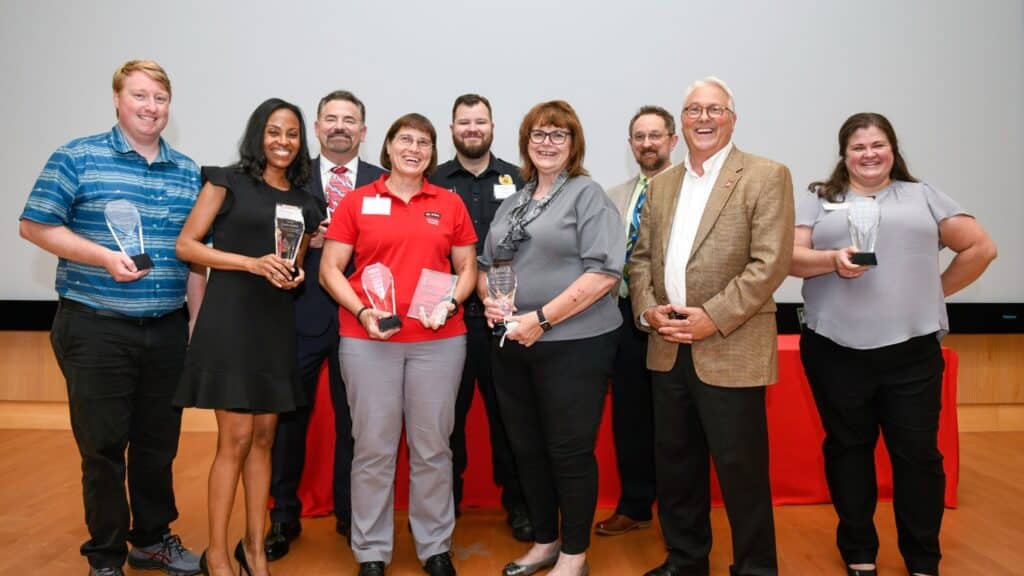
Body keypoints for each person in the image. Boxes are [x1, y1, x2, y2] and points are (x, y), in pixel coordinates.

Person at [18, 59, 204, 576]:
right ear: (118, 100)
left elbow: (194, 256)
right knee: (102, 448)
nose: (151, 108)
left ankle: (151, 541)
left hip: (166, 328)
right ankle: (104, 556)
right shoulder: (77, 157)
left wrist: (195, 324)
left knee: (158, 445)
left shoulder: (187, 170)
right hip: (96, 326)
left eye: (160, 99)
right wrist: (101, 257)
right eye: (140, 96)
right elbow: (34, 226)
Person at [790, 112, 996, 576]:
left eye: (878, 145)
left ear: (893, 149)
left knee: (919, 456)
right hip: (834, 349)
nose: (869, 154)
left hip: (911, 352)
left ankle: (923, 559)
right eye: (858, 147)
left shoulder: (922, 195)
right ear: (844, 155)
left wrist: (931, 290)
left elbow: (981, 247)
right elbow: (791, 260)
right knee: (847, 449)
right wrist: (831, 260)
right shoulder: (818, 198)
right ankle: (859, 553)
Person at [629, 77, 794, 576]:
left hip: (730, 345)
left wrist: (712, 318)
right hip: (667, 344)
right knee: (676, 466)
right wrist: (648, 309)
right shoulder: (661, 185)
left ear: (732, 118)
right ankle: (685, 558)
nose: (703, 118)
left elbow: (770, 264)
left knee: (741, 471)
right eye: (693, 110)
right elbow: (639, 259)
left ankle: (756, 568)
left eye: (714, 110)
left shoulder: (765, 175)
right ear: (682, 121)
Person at [320, 113, 477, 576]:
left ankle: (434, 546)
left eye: (424, 142)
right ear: (387, 148)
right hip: (367, 340)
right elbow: (331, 269)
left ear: (432, 152)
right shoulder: (356, 201)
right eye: (405, 139)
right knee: (373, 447)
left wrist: (450, 304)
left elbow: (467, 268)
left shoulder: (448, 203)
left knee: (433, 447)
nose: (414, 148)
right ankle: (370, 549)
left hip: (439, 341)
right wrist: (363, 312)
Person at [174, 98, 323, 576]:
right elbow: (187, 245)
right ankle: (217, 555)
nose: (283, 141)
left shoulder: (306, 200)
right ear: (258, 133)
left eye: (293, 134)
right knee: (234, 439)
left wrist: (291, 274)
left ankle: (254, 550)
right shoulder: (226, 180)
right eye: (274, 131)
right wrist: (250, 263)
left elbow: (292, 262)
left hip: (275, 322)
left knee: (264, 439)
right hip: (232, 320)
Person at [480, 100, 624, 576]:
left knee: (568, 450)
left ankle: (573, 555)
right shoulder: (514, 201)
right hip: (513, 342)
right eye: (538, 134)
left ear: (573, 144)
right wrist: (490, 301)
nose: (547, 143)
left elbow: (604, 273)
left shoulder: (587, 194)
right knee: (528, 448)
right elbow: (488, 266)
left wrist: (541, 318)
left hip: (575, 345)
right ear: (525, 142)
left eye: (558, 135)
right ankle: (544, 543)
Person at [265, 90, 386, 561]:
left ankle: (351, 514)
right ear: (316, 128)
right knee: (289, 421)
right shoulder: (288, 178)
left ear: (363, 131)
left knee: (358, 425)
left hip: (365, 321)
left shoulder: (384, 181)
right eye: (330, 119)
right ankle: (282, 517)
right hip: (299, 316)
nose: (340, 127)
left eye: (349, 120)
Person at [427, 93, 532, 540]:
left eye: (480, 121)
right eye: (464, 122)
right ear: (451, 129)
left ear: (493, 127)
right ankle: (443, 507)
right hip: (445, 318)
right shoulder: (430, 180)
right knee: (444, 419)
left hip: (504, 319)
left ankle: (520, 505)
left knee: (509, 417)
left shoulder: (521, 179)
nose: (473, 128)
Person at [596, 105, 679, 537]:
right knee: (630, 418)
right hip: (624, 321)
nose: (647, 143)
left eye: (655, 135)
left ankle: (679, 514)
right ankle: (635, 505)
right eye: (639, 137)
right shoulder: (614, 195)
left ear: (672, 140)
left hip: (675, 321)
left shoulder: (692, 190)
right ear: (631, 145)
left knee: (675, 422)